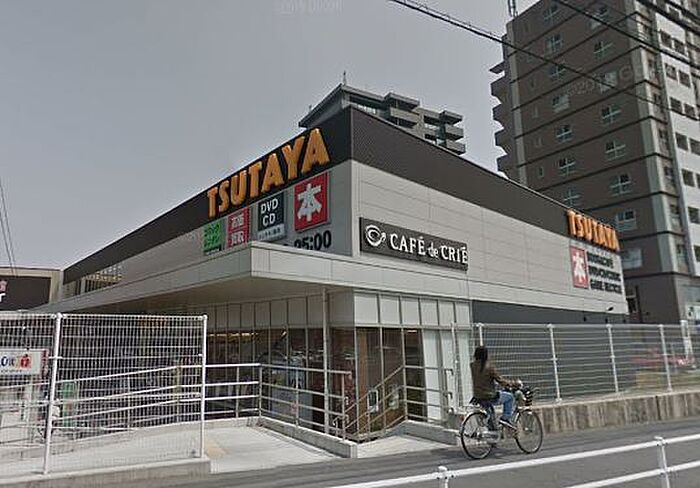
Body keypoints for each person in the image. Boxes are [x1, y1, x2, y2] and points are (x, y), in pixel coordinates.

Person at [470, 346, 517, 430]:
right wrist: (512, 383)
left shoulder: (472, 365)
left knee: (491, 415)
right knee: (510, 397)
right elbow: (500, 380)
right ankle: (505, 419)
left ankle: (492, 431)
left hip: (478, 396)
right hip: (489, 396)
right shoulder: (489, 367)